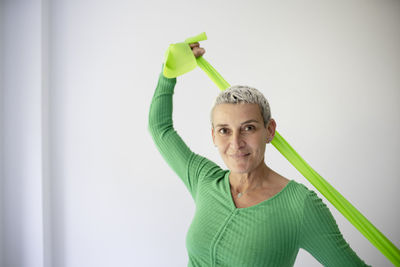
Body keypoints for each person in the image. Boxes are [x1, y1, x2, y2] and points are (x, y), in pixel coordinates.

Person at [148, 43, 370, 266]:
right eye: (224, 130)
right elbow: (160, 129)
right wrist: (168, 74)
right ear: (213, 136)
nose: (236, 143)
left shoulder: (299, 206)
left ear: (269, 130)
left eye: (249, 128)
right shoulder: (204, 178)